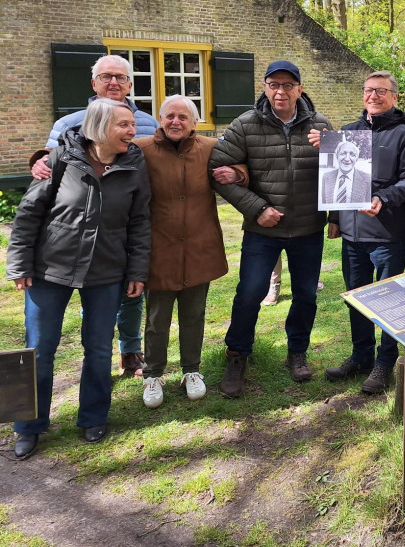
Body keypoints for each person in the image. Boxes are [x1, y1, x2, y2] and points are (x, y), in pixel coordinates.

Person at [7, 98, 151, 459]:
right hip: (48, 269)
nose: (133, 132)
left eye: (133, 125)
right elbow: (28, 214)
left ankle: (92, 417)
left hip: (106, 270)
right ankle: (26, 426)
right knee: (39, 350)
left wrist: (137, 270)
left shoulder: (135, 165)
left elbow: (140, 223)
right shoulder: (59, 159)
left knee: (99, 348)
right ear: (100, 127)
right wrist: (19, 263)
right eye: (124, 125)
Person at [30, 54, 158, 378]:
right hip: (75, 227)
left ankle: (130, 350)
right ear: (93, 83)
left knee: (131, 294)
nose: (113, 82)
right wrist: (39, 162)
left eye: (119, 77)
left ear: (130, 84)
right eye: (105, 77)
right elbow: (49, 167)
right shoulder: (67, 123)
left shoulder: (147, 123)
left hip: (125, 222)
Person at [209, 60, 331, 395]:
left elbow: (341, 174)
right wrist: (257, 208)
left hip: (308, 228)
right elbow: (217, 171)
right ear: (264, 88)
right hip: (262, 230)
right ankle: (237, 355)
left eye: (288, 85)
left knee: (305, 295)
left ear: (299, 90)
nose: (281, 91)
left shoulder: (320, 126)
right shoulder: (245, 125)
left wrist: (330, 154)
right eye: (274, 84)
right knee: (250, 293)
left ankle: (298, 352)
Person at [136, 96, 240, 409]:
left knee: (194, 314)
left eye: (183, 117)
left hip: (199, 246)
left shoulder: (209, 148)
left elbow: (240, 165)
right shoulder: (141, 150)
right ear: (160, 119)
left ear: (194, 122)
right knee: (157, 317)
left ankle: (191, 371)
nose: (176, 122)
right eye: (170, 116)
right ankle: (153, 374)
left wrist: (238, 174)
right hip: (160, 247)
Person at [324, 71, 405, 395]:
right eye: (369, 90)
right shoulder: (349, 133)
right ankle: (361, 356)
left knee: (387, 303)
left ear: (394, 97)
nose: (373, 96)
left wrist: (383, 197)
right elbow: (337, 174)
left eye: (381, 91)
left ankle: (384, 363)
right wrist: (335, 217)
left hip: (386, 235)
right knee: (357, 301)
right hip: (352, 235)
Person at [322, 140, 371, 205]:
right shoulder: (326, 177)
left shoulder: (367, 179)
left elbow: (369, 207)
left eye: (352, 154)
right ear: (337, 156)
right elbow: (324, 204)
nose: (347, 159)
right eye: (343, 154)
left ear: (356, 159)